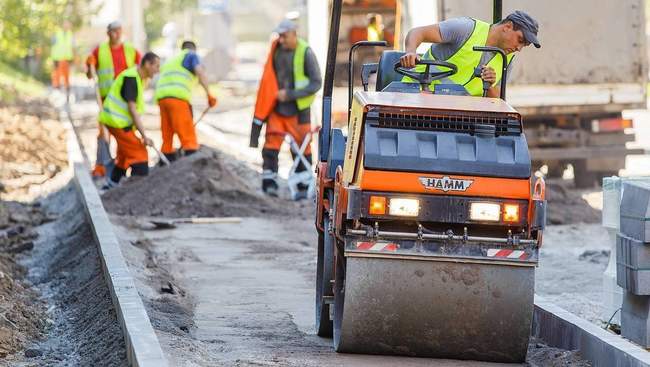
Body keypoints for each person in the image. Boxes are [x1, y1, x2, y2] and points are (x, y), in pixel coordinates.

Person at [249, 19, 322, 197]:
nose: (281, 40)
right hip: (277, 109)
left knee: (302, 149)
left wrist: (289, 94)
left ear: (294, 33)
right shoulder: (276, 51)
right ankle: (269, 183)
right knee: (271, 146)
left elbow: (316, 83)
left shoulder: (306, 52)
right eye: (279, 36)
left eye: (284, 36)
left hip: (299, 110)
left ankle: (303, 186)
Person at [399, 10, 540, 97]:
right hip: (416, 95)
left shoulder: (506, 59)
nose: (519, 48)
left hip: (459, 114)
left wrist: (490, 85)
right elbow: (418, 32)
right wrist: (411, 52)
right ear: (507, 26)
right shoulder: (465, 29)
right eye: (520, 40)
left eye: (524, 45)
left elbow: (497, 100)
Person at [86, 21, 142, 178]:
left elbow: (143, 67)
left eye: (118, 31)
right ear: (108, 33)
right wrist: (89, 65)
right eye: (113, 31)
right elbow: (90, 74)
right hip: (106, 100)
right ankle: (101, 165)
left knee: (125, 133)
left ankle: (122, 164)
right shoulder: (100, 50)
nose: (116, 34)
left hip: (125, 100)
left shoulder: (130, 50)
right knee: (104, 132)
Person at [99, 52, 160, 189]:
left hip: (116, 122)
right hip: (117, 122)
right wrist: (144, 136)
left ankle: (111, 184)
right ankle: (136, 190)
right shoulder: (131, 78)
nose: (158, 70)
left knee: (125, 154)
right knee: (139, 153)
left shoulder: (136, 78)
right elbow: (132, 110)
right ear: (147, 64)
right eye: (156, 66)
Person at [154, 41, 217, 162]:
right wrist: (209, 94)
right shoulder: (191, 55)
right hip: (177, 98)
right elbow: (200, 72)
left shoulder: (173, 59)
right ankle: (191, 160)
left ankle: (166, 161)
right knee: (188, 136)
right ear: (193, 49)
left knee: (167, 136)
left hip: (162, 98)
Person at [51, 20, 75, 100]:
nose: (67, 26)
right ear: (63, 25)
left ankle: (67, 92)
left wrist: (73, 59)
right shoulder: (57, 34)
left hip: (67, 59)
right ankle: (56, 92)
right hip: (57, 59)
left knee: (66, 77)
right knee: (56, 76)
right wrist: (53, 59)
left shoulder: (70, 35)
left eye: (68, 25)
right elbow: (53, 45)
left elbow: (73, 47)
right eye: (65, 25)